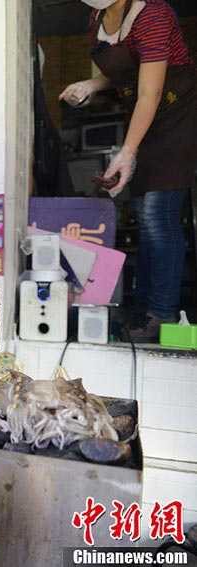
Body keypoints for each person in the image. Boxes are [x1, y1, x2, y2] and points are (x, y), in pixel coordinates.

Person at [59, 0, 197, 342]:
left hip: (178, 113)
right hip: (144, 116)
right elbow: (129, 70)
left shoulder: (153, 13)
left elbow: (150, 91)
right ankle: (144, 311)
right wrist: (92, 85)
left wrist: (128, 152)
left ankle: (161, 314)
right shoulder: (97, 18)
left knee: (158, 214)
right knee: (142, 210)